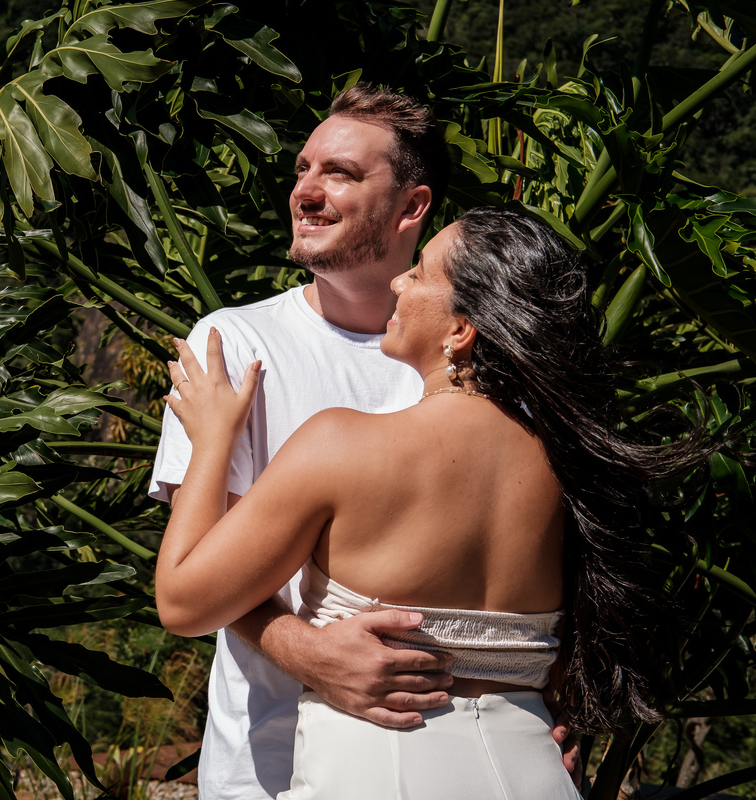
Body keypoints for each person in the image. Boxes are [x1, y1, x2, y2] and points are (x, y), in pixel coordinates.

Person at [156, 207, 702, 798]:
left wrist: (212, 443)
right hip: (534, 771)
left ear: (460, 330)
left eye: (418, 273)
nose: (397, 282)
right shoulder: (570, 467)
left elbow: (184, 602)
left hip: (377, 773)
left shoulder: (341, 444)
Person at [150, 84, 569, 799]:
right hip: (265, 762)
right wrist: (307, 650)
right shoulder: (237, 343)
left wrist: (557, 704)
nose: (307, 193)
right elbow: (207, 569)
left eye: (340, 174)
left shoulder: (495, 379)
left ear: (412, 207)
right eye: (302, 170)